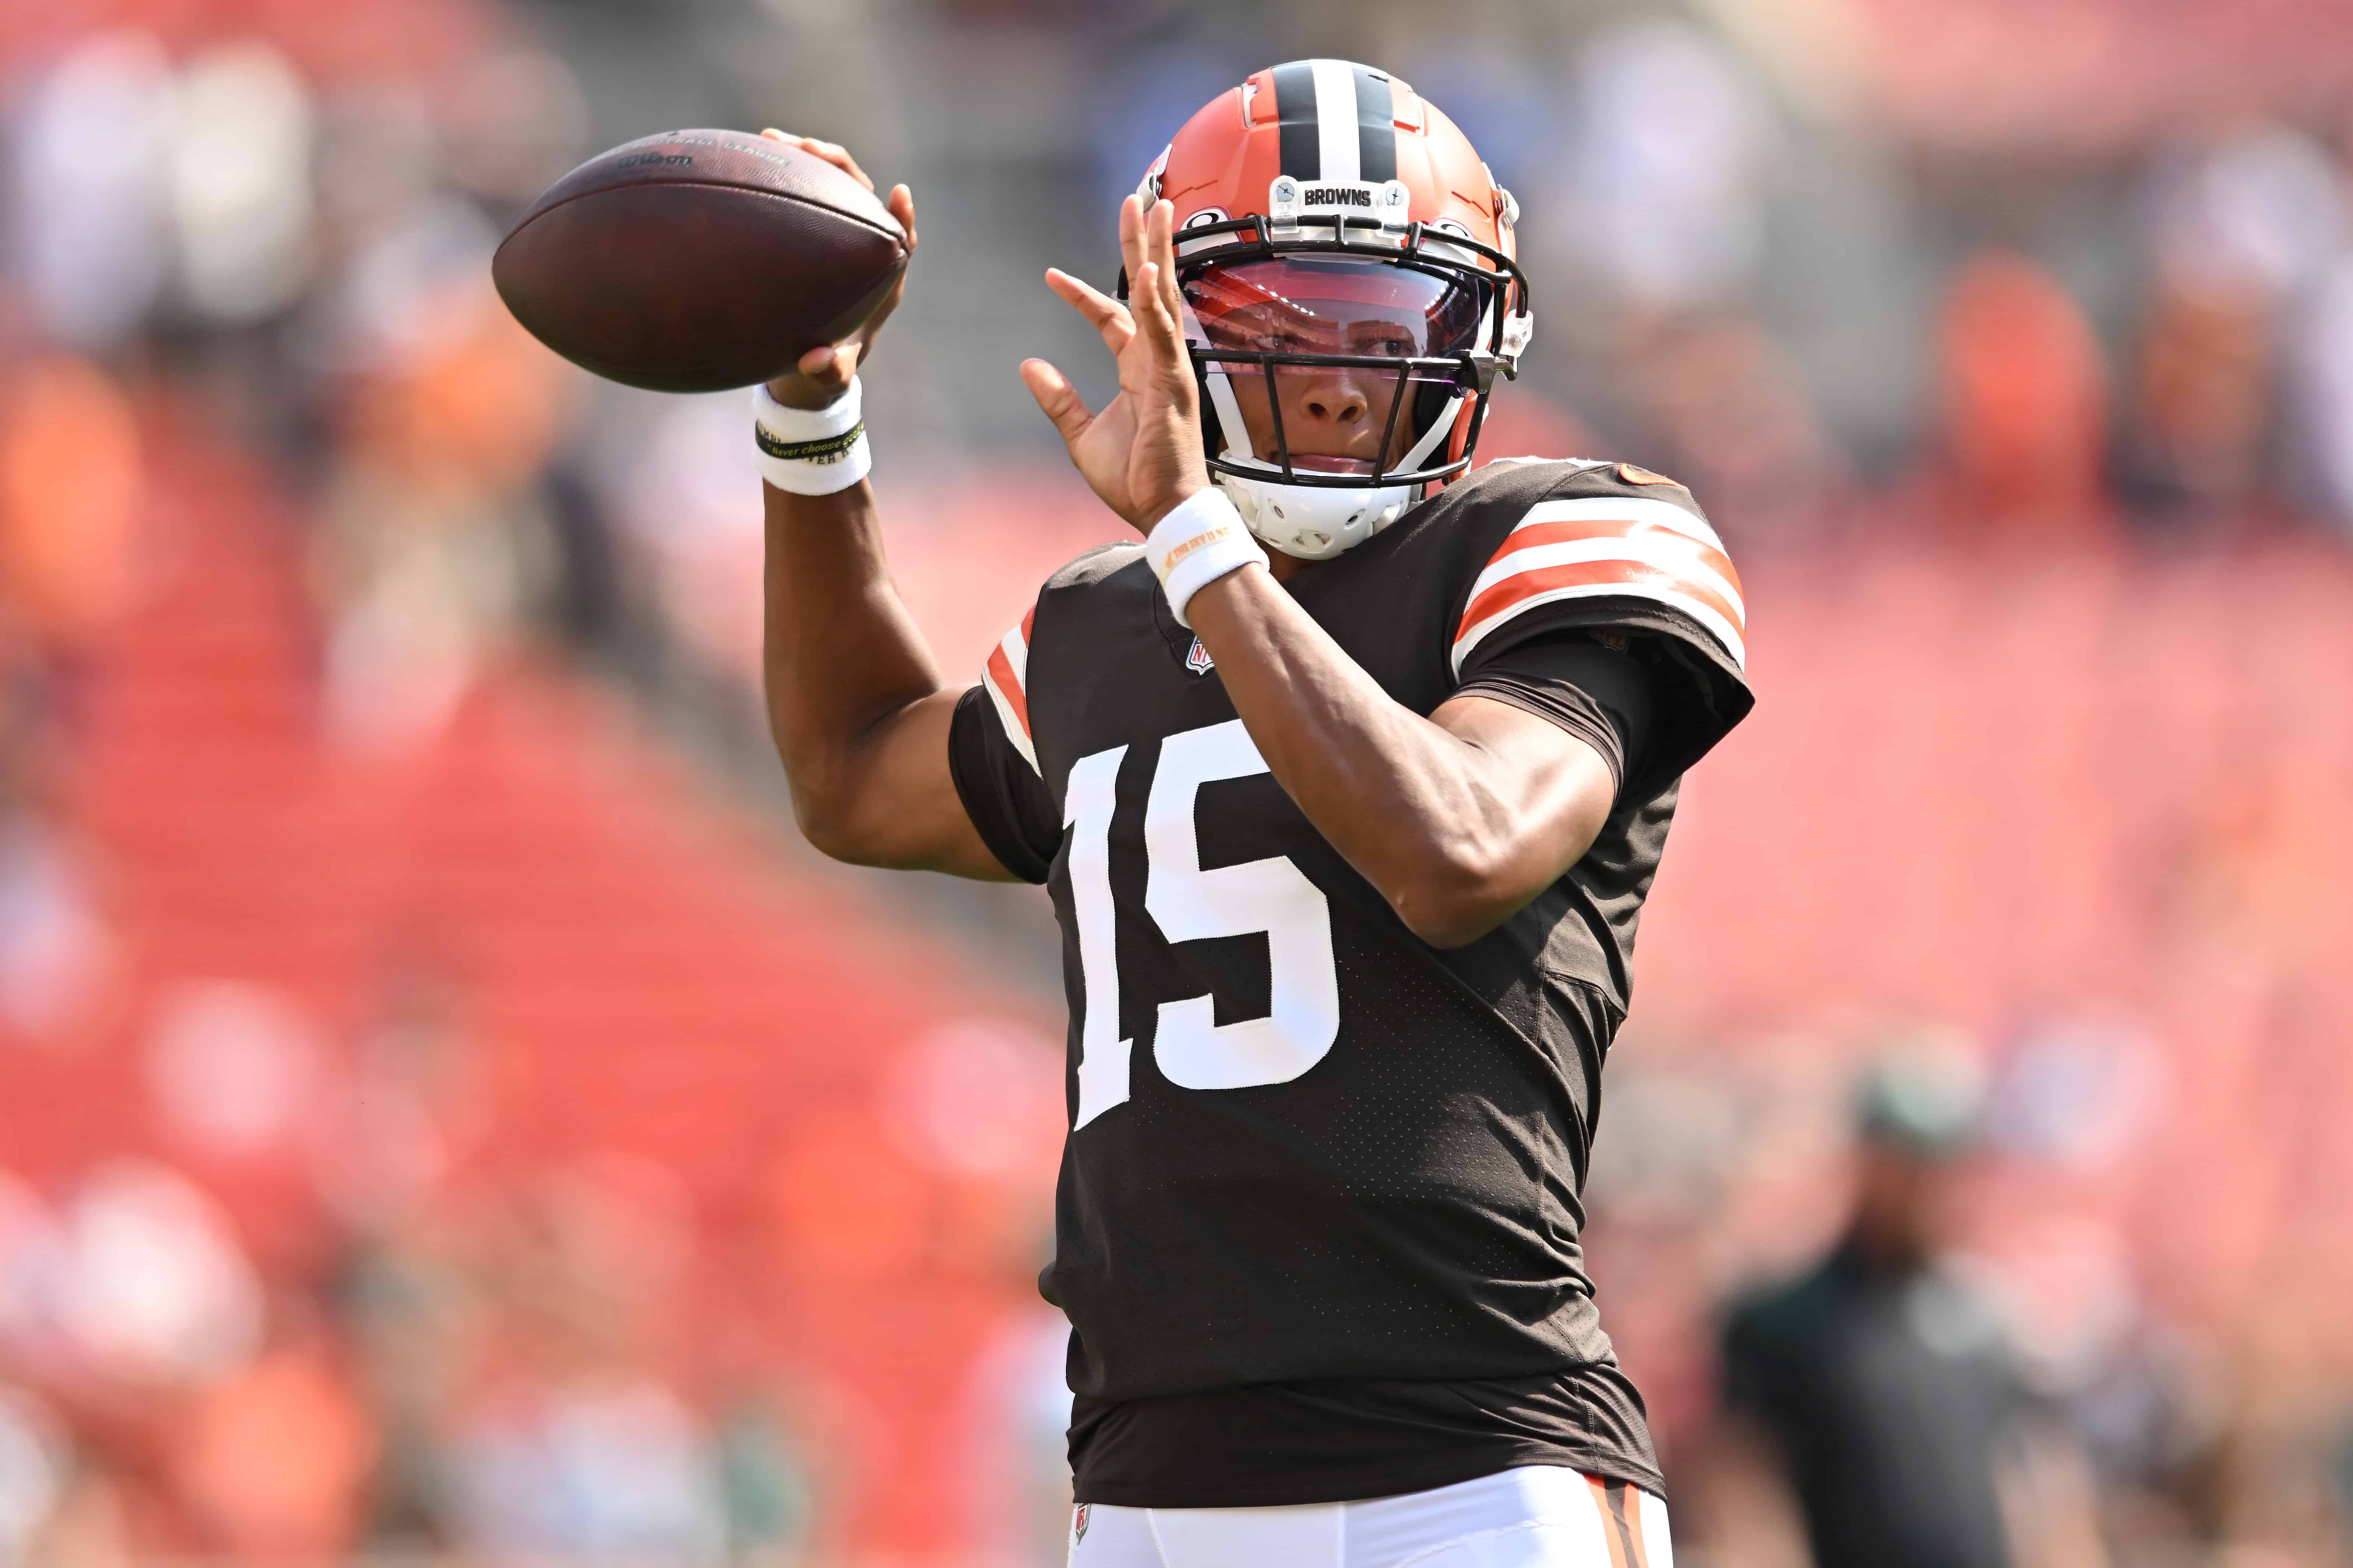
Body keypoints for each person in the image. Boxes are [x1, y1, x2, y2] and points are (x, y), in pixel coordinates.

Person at [755, 61, 1751, 1568]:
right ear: (1174, 325)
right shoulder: (1102, 626)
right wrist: (812, 413)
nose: (1346, 376)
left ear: (1479, 333)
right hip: (1152, 1476)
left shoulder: (1566, 532)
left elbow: (1458, 848)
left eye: (1392, 322)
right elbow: (851, 772)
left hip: (1469, 1468)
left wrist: (1193, 542)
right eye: (1285, 325)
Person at [1703, 1055, 2110, 1568]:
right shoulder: (1784, 1321)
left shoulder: (1985, 1323)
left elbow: (2037, 1480)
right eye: (1904, 1165)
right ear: (1866, 1162)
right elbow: (1744, 1483)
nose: (1923, 1188)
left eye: (1938, 1167)